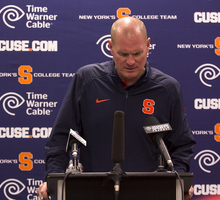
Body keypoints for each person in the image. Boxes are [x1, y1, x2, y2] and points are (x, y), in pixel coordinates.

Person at [38, 17, 196, 200]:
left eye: (137, 53)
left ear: (148, 45)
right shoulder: (87, 80)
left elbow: (181, 145)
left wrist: (177, 181)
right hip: (93, 192)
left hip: (150, 193)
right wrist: (54, 178)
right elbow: (61, 137)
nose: (130, 61)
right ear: (110, 47)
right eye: (123, 53)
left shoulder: (167, 89)